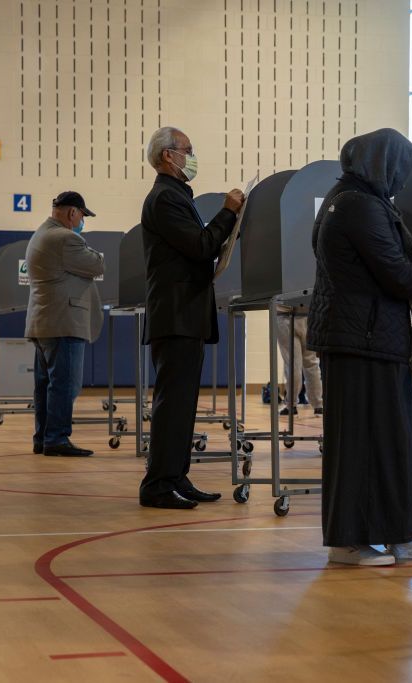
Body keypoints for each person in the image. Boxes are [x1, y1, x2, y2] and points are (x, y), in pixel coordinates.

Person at [306, 128, 412, 565]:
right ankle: (355, 542)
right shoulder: (360, 206)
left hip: (362, 338)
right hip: (363, 341)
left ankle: (395, 538)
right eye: (401, 168)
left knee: (380, 442)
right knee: (372, 443)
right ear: (383, 163)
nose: (404, 178)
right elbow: (399, 275)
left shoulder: (344, 199)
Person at [138, 126, 245, 509]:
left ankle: (175, 476)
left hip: (185, 314)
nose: (192, 154)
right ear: (169, 155)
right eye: (188, 149)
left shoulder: (176, 196)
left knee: (183, 405)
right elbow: (201, 247)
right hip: (176, 314)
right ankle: (158, 485)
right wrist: (228, 213)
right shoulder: (165, 198)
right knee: (173, 404)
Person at [24, 191, 105, 457]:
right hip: (63, 322)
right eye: (83, 216)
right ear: (73, 213)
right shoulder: (66, 238)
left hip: (44, 320)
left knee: (46, 384)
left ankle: (44, 437)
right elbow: (96, 265)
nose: (83, 221)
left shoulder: (41, 234)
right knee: (65, 385)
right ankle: (57, 439)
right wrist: (92, 252)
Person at [276, 305, 323, 415]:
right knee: (312, 363)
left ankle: (291, 405)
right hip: (308, 315)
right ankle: (318, 405)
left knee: (292, 364)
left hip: (285, 316)